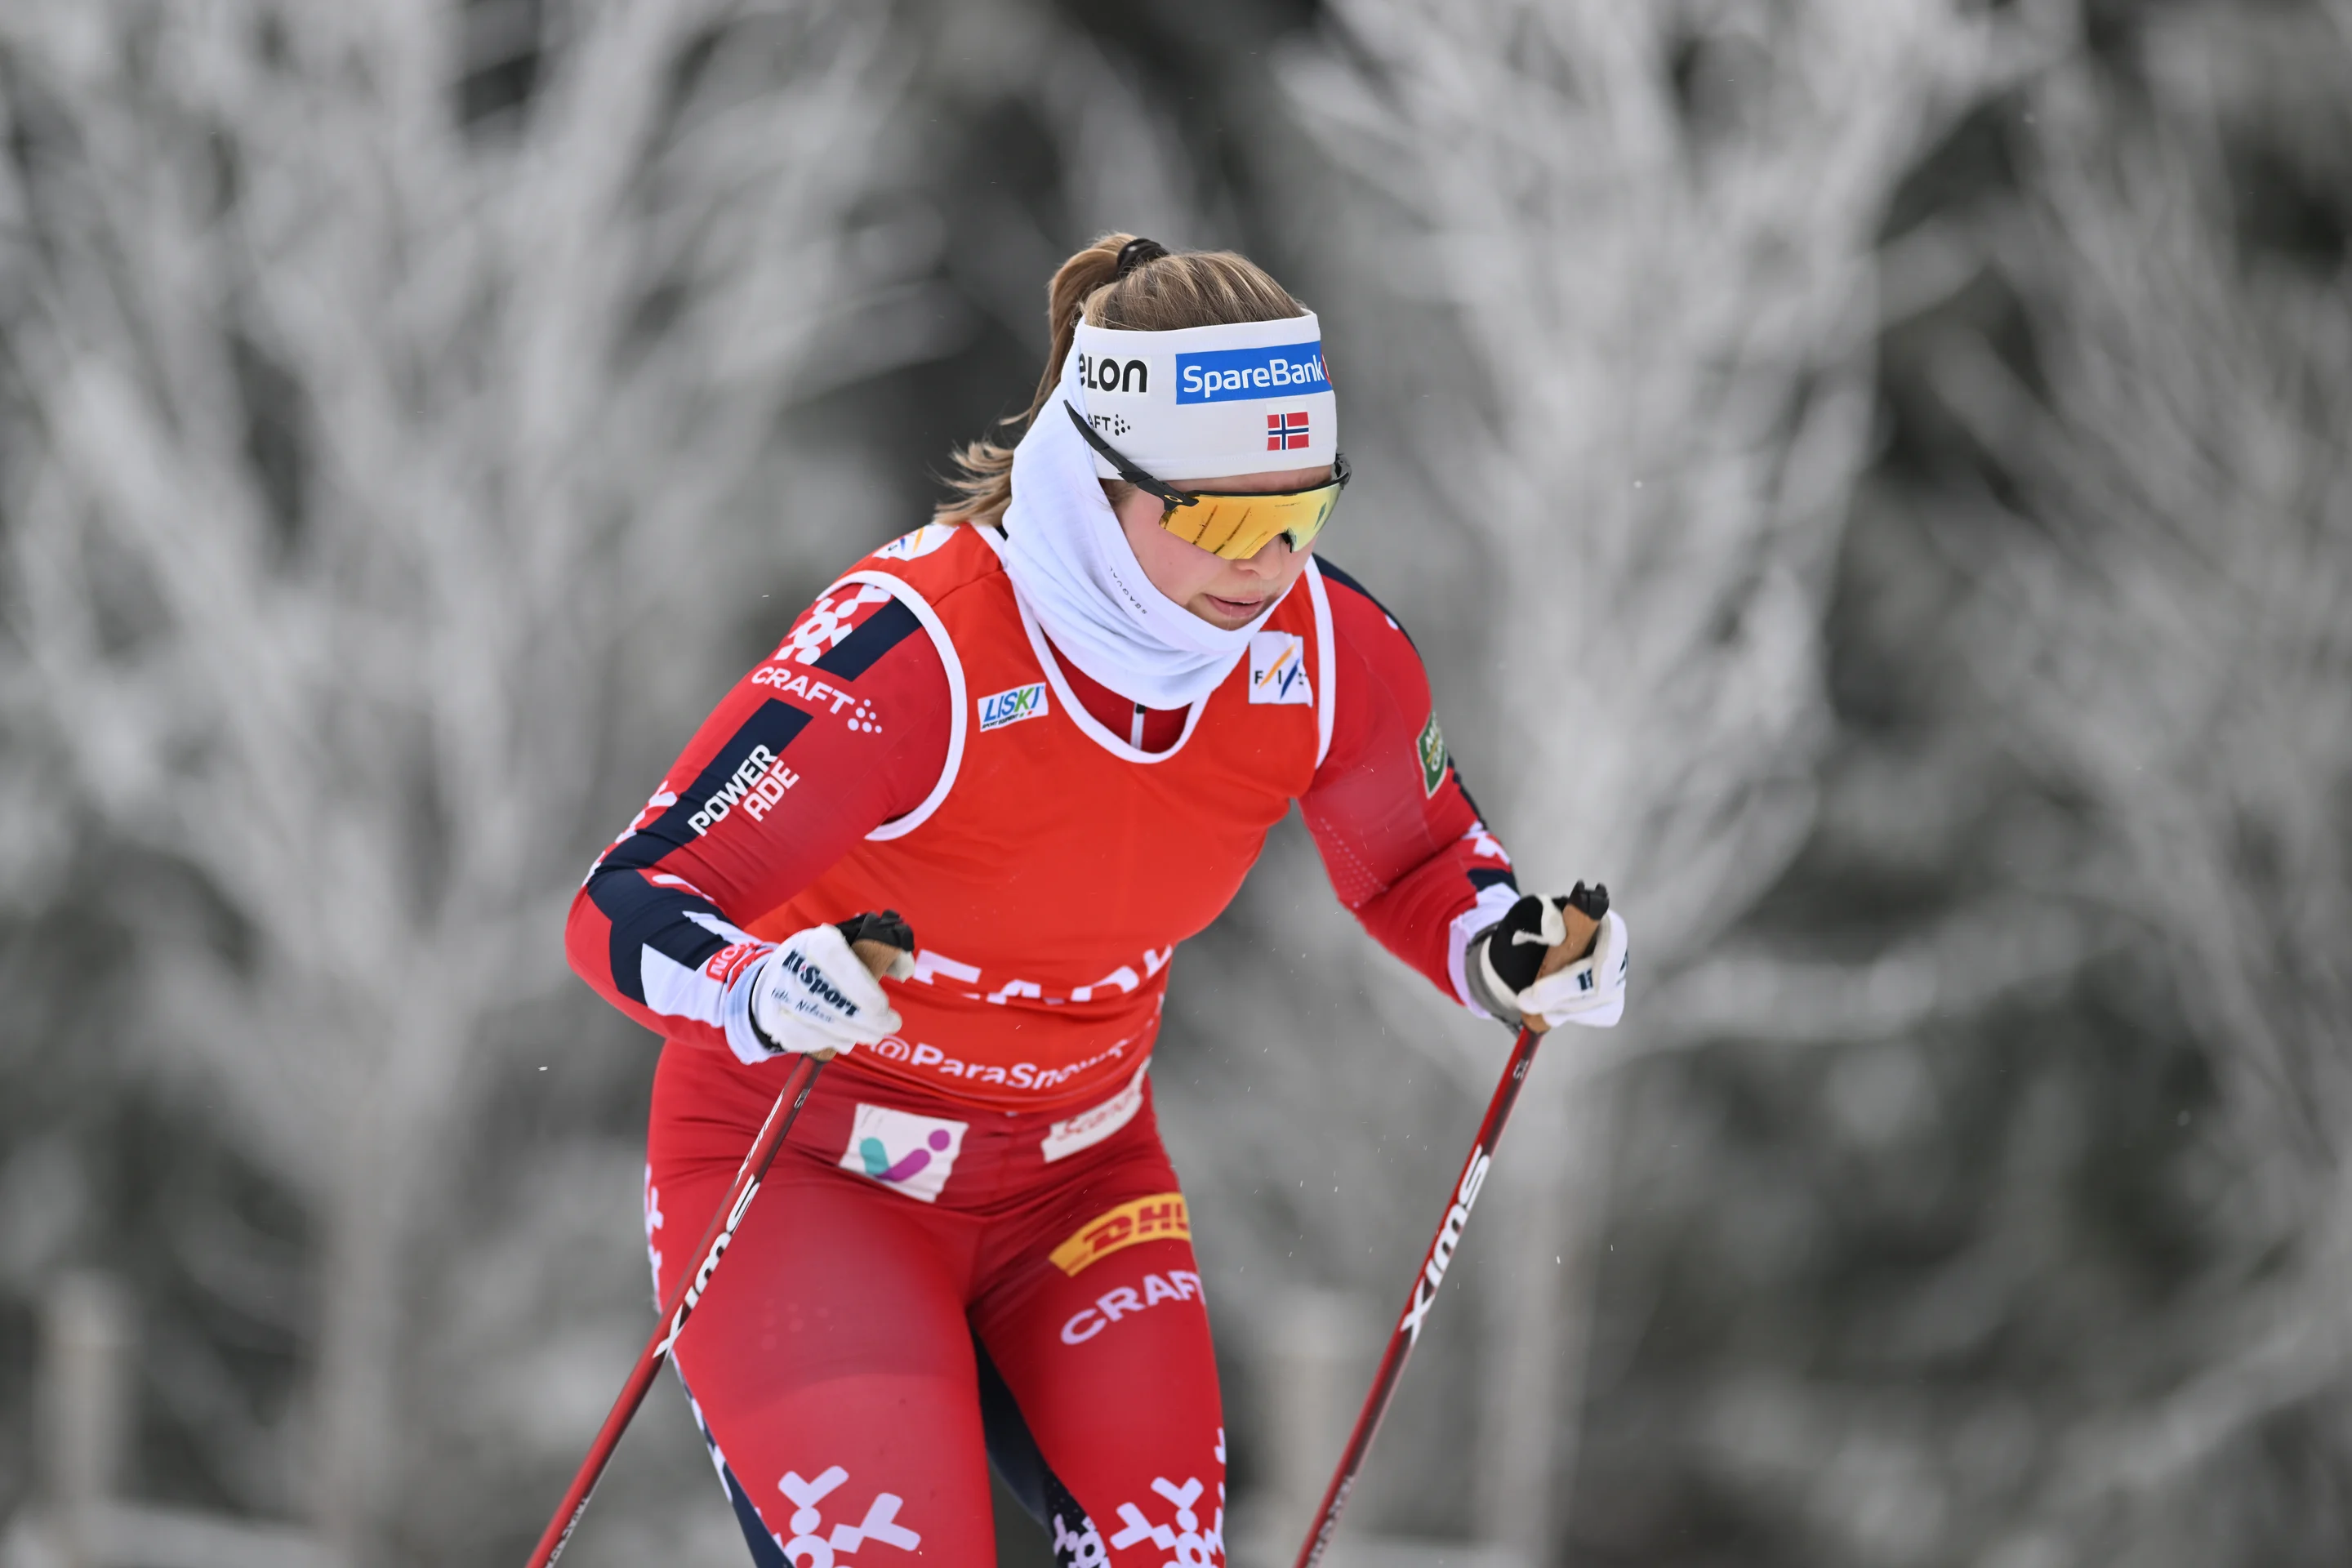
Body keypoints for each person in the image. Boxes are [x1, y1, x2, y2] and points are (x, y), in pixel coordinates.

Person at [565, 234, 1630, 1567]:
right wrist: (758, 986)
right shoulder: (919, 651)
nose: (1266, 567)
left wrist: (1510, 947)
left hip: (1080, 1182)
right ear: (1094, 473)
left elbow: (1420, 861)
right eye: (1222, 520)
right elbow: (625, 898)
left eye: (1301, 515)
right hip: (815, 1174)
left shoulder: (1323, 652)